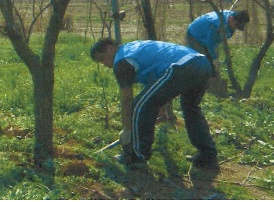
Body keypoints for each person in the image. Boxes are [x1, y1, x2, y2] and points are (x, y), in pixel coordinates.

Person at [90, 37, 218, 171]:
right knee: (191, 109)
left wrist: (127, 129)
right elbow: (161, 82)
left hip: (183, 66)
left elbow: (127, 100)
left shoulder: (122, 61)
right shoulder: (134, 50)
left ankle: (136, 156)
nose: (104, 64)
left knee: (139, 105)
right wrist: (161, 107)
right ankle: (207, 155)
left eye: (102, 59)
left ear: (110, 48)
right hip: (201, 63)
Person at [186, 10, 249, 75]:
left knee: (212, 66)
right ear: (231, 18)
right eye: (235, 25)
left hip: (208, 38)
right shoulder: (217, 24)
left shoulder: (232, 18)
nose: (235, 28)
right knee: (202, 63)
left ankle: (213, 80)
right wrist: (215, 59)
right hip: (195, 35)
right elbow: (210, 43)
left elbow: (216, 41)